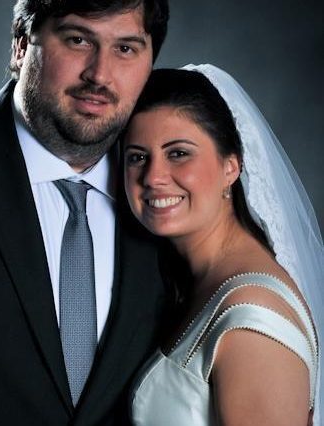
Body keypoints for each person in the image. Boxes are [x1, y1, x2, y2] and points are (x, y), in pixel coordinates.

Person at [0, 1, 171, 425]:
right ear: (21, 45)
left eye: (125, 49)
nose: (100, 75)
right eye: (78, 40)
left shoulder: (172, 197)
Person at [124, 65, 323, 425]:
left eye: (178, 153)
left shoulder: (252, 323)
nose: (153, 177)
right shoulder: (198, 279)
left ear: (231, 166)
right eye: (137, 157)